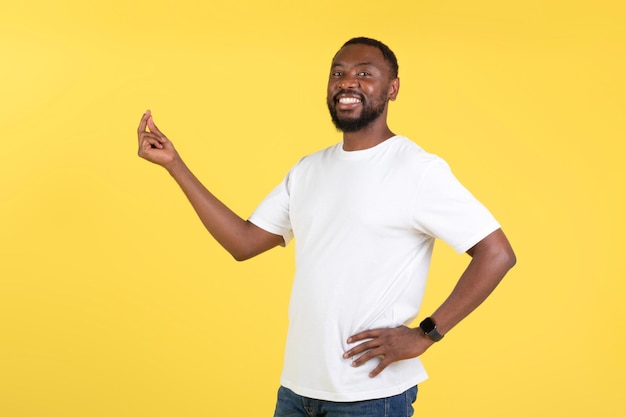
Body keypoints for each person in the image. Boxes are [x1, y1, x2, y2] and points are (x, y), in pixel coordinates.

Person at [137, 37, 516, 417]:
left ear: (393, 88)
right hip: (297, 391)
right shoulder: (308, 170)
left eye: (364, 73)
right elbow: (243, 242)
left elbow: (496, 253)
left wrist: (427, 333)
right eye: (338, 73)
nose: (347, 82)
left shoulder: (417, 170)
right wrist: (175, 165)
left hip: (371, 396)